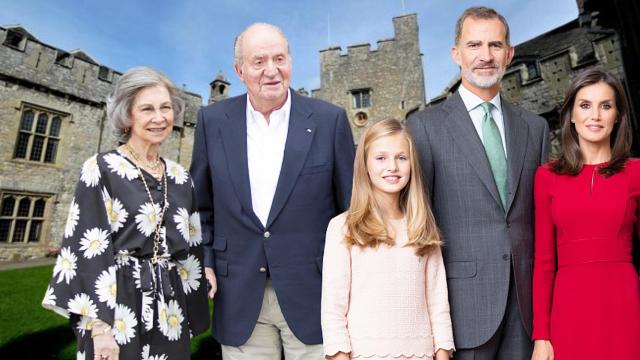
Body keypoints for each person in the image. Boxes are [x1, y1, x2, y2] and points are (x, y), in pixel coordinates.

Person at [190, 23, 355, 359]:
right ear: (239, 70)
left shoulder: (330, 120)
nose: (271, 71)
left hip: (315, 294)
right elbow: (200, 207)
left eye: (279, 58)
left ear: (291, 61)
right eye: (259, 61)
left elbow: (352, 208)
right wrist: (204, 260)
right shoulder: (212, 121)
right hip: (236, 291)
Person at [407, 6, 549, 359]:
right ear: (456, 54)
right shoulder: (424, 128)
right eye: (474, 45)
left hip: (527, 309)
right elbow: (416, 225)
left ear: (509, 53)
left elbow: (545, 221)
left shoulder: (535, 128)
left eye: (495, 45)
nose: (485, 56)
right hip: (461, 309)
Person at [41, 66, 209, 360]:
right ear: (128, 115)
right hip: (117, 306)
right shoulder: (101, 168)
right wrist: (100, 329)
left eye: (166, 108)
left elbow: (191, 248)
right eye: (147, 109)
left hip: (170, 310)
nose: (159, 118)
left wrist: (194, 307)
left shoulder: (182, 177)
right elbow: (85, 251)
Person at [321, 119, 455, 360]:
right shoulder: (343, 227)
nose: (392, 166)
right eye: (381, 158)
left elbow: (438, 302)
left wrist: (443, 352)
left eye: (401, 158)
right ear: (365, 165)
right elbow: (333, 310)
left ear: (411, 164)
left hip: (420, 354)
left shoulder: (422, 225)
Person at [531, 68, 640, 360]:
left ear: (617, 116)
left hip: (624, 306)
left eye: (606, 106)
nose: (595, 115)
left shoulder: (637, 173)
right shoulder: (546, 177)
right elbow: (543, 262)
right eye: (585, 105)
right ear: (571, 115)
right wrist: (541, 336)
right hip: (569, 310)